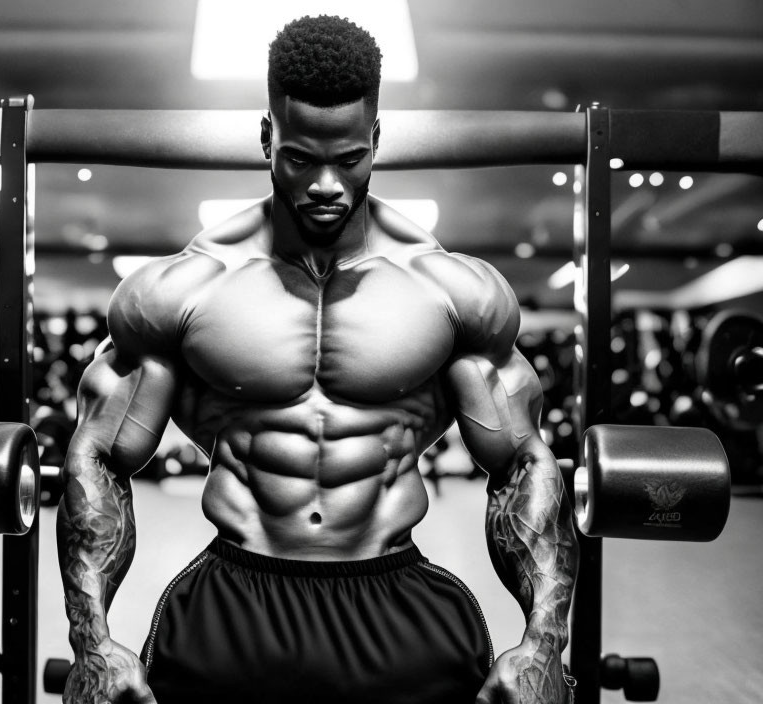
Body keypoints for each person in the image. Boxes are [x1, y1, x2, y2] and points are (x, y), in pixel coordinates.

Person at [57, 14, 578, 704]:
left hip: (398, 600)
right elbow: (97, 456)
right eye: (302, 158)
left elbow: (522, 463)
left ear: (376, 142)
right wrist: (91, 643)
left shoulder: (453, 291)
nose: (327, 184)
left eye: (350, 157)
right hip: (233, 600)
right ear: (267, 137)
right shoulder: (181, 290)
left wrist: (544, 644)